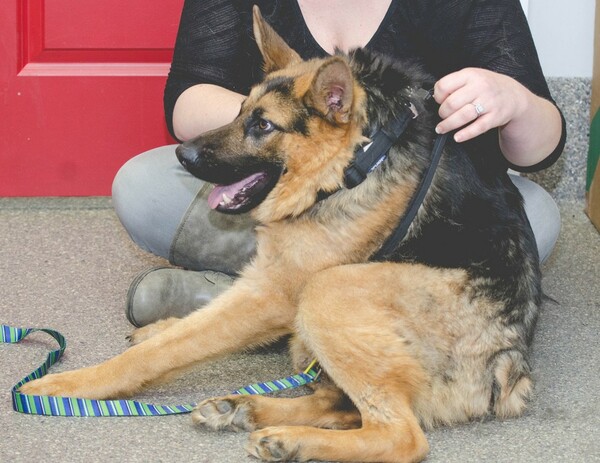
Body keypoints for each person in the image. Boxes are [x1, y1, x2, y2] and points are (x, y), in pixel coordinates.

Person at [112, 0, 566, 327]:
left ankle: (257, 304)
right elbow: (187, 100)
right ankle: (326, 310)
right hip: (282, 193)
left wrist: (517, 101)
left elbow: (540, 149)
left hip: (416, 218)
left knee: (538, 216)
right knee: (142, 187)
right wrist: (294, 133)